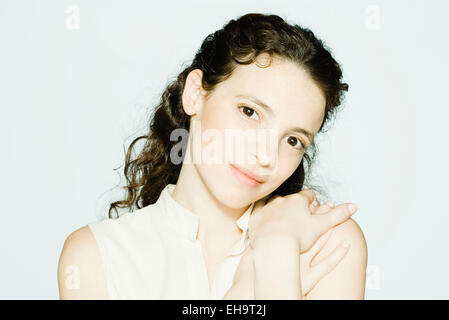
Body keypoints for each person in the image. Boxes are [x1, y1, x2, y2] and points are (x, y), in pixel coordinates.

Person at [58, 13, 367, 300]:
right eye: (250, 112)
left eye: (292, 140)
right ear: (195, 93)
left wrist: (276, 247)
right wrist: (254, 286)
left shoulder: (328, 243)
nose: (265, 155)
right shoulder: (96, 256)